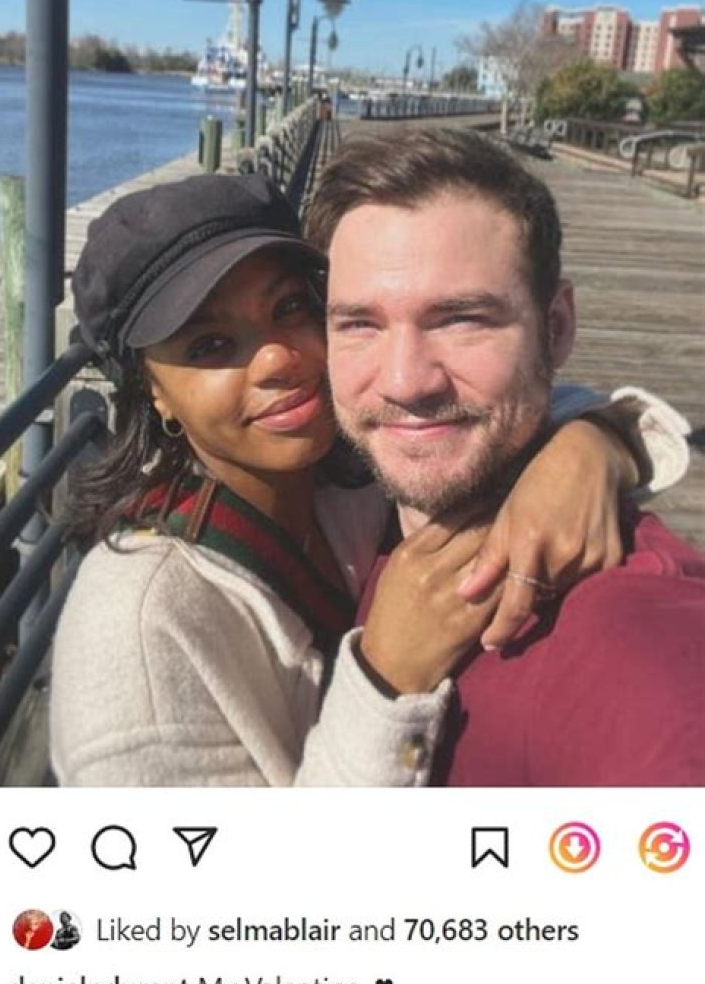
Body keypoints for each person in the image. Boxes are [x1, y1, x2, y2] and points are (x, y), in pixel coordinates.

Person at [50, 174, 685, 787]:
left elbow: (503, 415)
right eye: (209, 345)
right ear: (154, 392)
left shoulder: (356, 477)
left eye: (291, 307)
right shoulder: (135, 633)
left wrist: (591, 445)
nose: (277, 359)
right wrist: (385, 676)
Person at [305, 127, 704, 785]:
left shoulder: (639, 649)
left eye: (461, 319)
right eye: (360, 324)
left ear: (557, 328)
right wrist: (605, 437)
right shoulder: (340, 504)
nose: (405, 382)